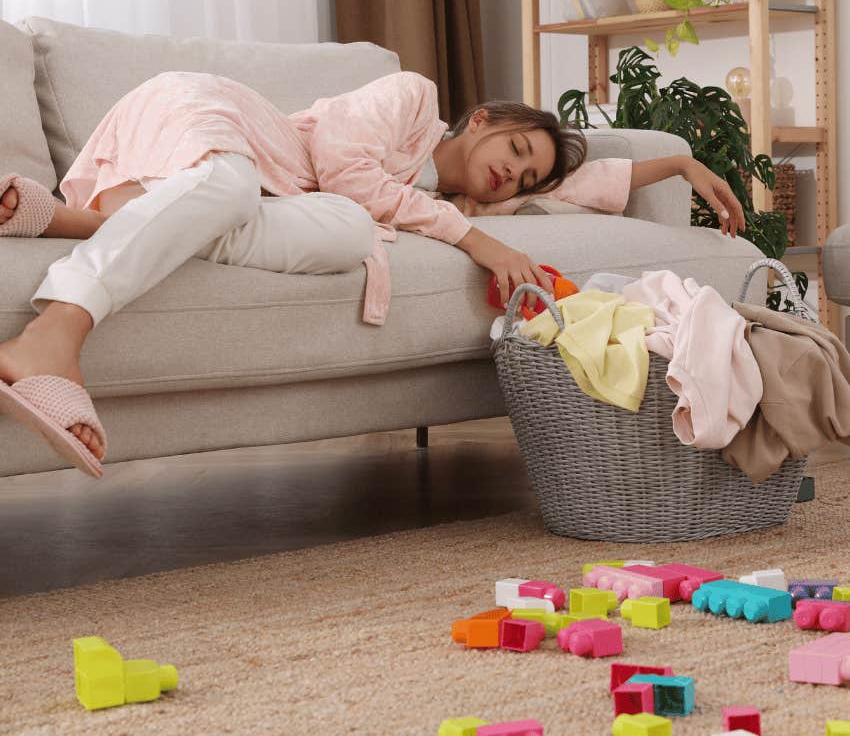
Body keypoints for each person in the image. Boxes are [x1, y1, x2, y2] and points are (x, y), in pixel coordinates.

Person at [0, 70, 744, 476]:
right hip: (208, 120)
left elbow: (582, 183)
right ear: (481, 119)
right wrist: (476, 242)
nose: (510, 180)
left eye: (524, 184)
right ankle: (56, 333)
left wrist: (679, 161)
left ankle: (77, 222)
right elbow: (342, 165)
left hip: (235, 193)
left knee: (349, 230)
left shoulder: (438, 197)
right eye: (515, 153)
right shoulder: (410, 98)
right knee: (236, 188)